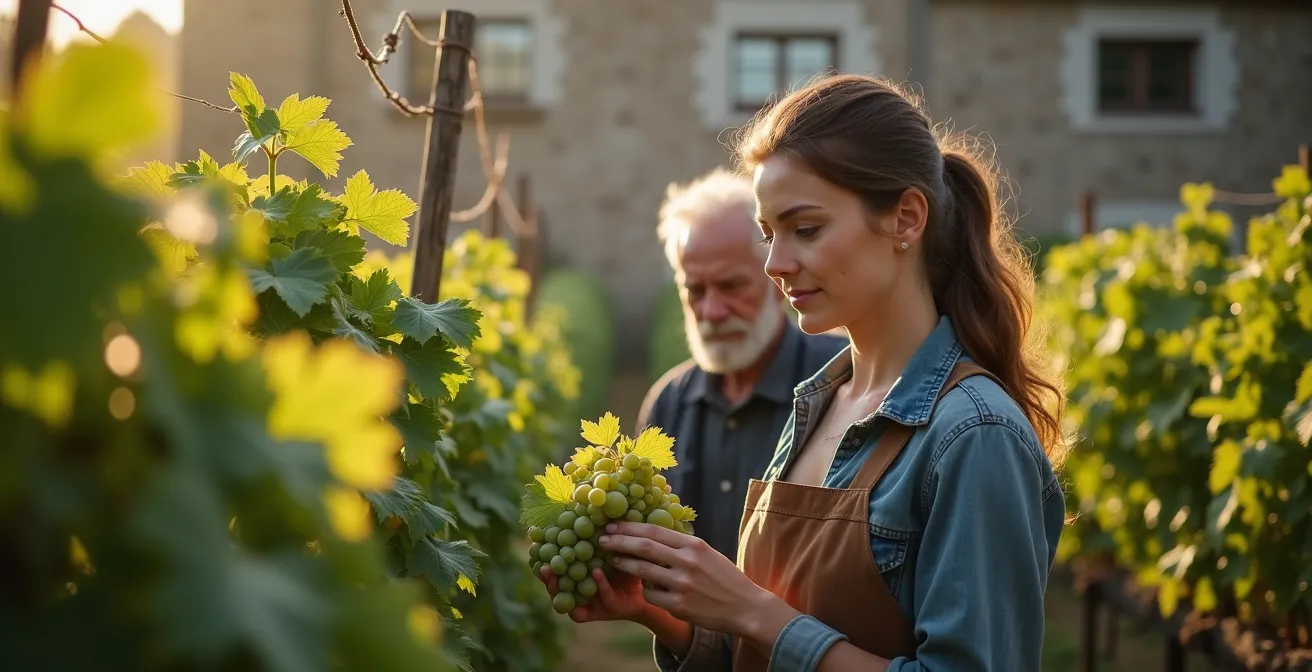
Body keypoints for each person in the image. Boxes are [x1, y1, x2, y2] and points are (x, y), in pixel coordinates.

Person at [539, 74, 1069, 671]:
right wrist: (668, 616)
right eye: (769, 234)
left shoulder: (974, 435)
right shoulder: (821, 405)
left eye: (806, 229)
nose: (775, 264)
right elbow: (766, 654)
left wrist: (751, 610)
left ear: (906, 219)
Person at [637, 167, 846, 561]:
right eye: (695, 290)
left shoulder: (841, 385)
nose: (712, 310)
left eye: (731, 286)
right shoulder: (667, 404)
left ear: (776, 279)